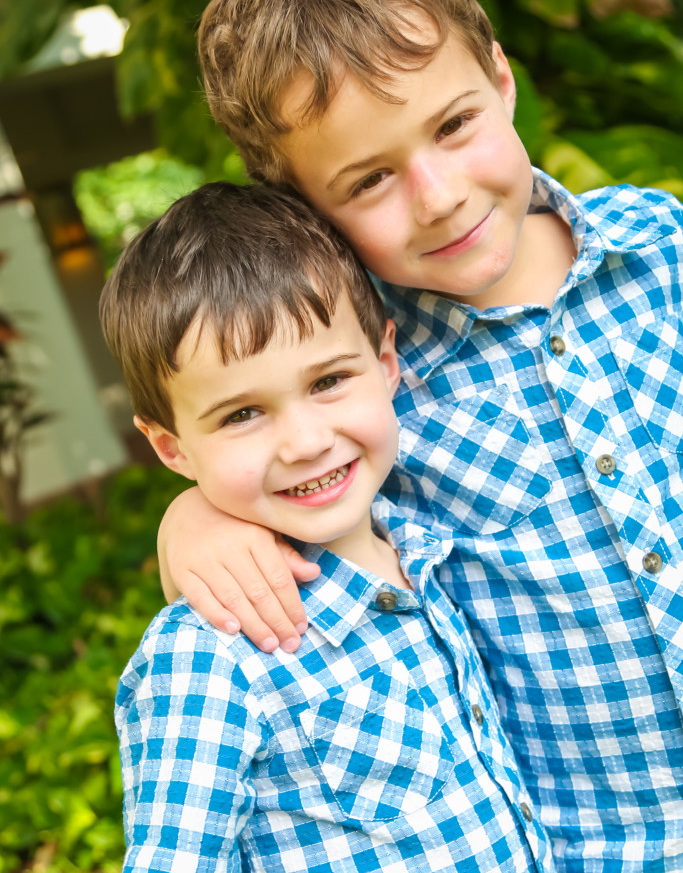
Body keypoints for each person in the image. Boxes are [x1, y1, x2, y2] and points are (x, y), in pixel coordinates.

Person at [159, 0, 683, 873]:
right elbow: (270, 485)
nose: (437, 194)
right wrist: (191, 520)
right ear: (301, 210)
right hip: (604, 849)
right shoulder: (361, 388)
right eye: (368, 180)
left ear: (499, 76)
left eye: (453, 124)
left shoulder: (664, 251)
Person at [100, 180, 555, 873]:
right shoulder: (212, 656)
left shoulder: (431, 554)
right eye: (242, 414)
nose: (306, 441)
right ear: (171, 448)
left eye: (327, 382)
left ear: (385, 362)